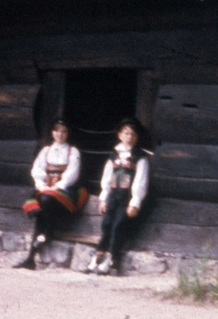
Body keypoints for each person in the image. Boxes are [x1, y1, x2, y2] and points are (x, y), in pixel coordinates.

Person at [15, 120, 87, 269]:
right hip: (46, 189)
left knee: (45, 200)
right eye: (57, 131)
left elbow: (72, 174)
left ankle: (36, 248)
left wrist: (58, 186)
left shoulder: (73, 151)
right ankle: (39, 243)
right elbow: (37, 169)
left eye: (63, 131)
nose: (60, 134)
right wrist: (41, 184)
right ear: (52, 132)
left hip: (65, 190)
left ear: (68, 133)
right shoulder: (46, 150)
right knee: (41, 204)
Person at [87, 118, 151, 275]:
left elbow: (140, 180)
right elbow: (107, 177)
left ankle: (111, 259)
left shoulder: (140, 157)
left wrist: (135, 202)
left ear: (137, 137)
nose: (129, 137)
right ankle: (97, 257)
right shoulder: (113, 155)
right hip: (113, 195)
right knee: (107, 224)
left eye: (133, 134)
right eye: (126, 133)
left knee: (118, 226)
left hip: (126, 198)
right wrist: (103, 198)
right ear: (120, 135)